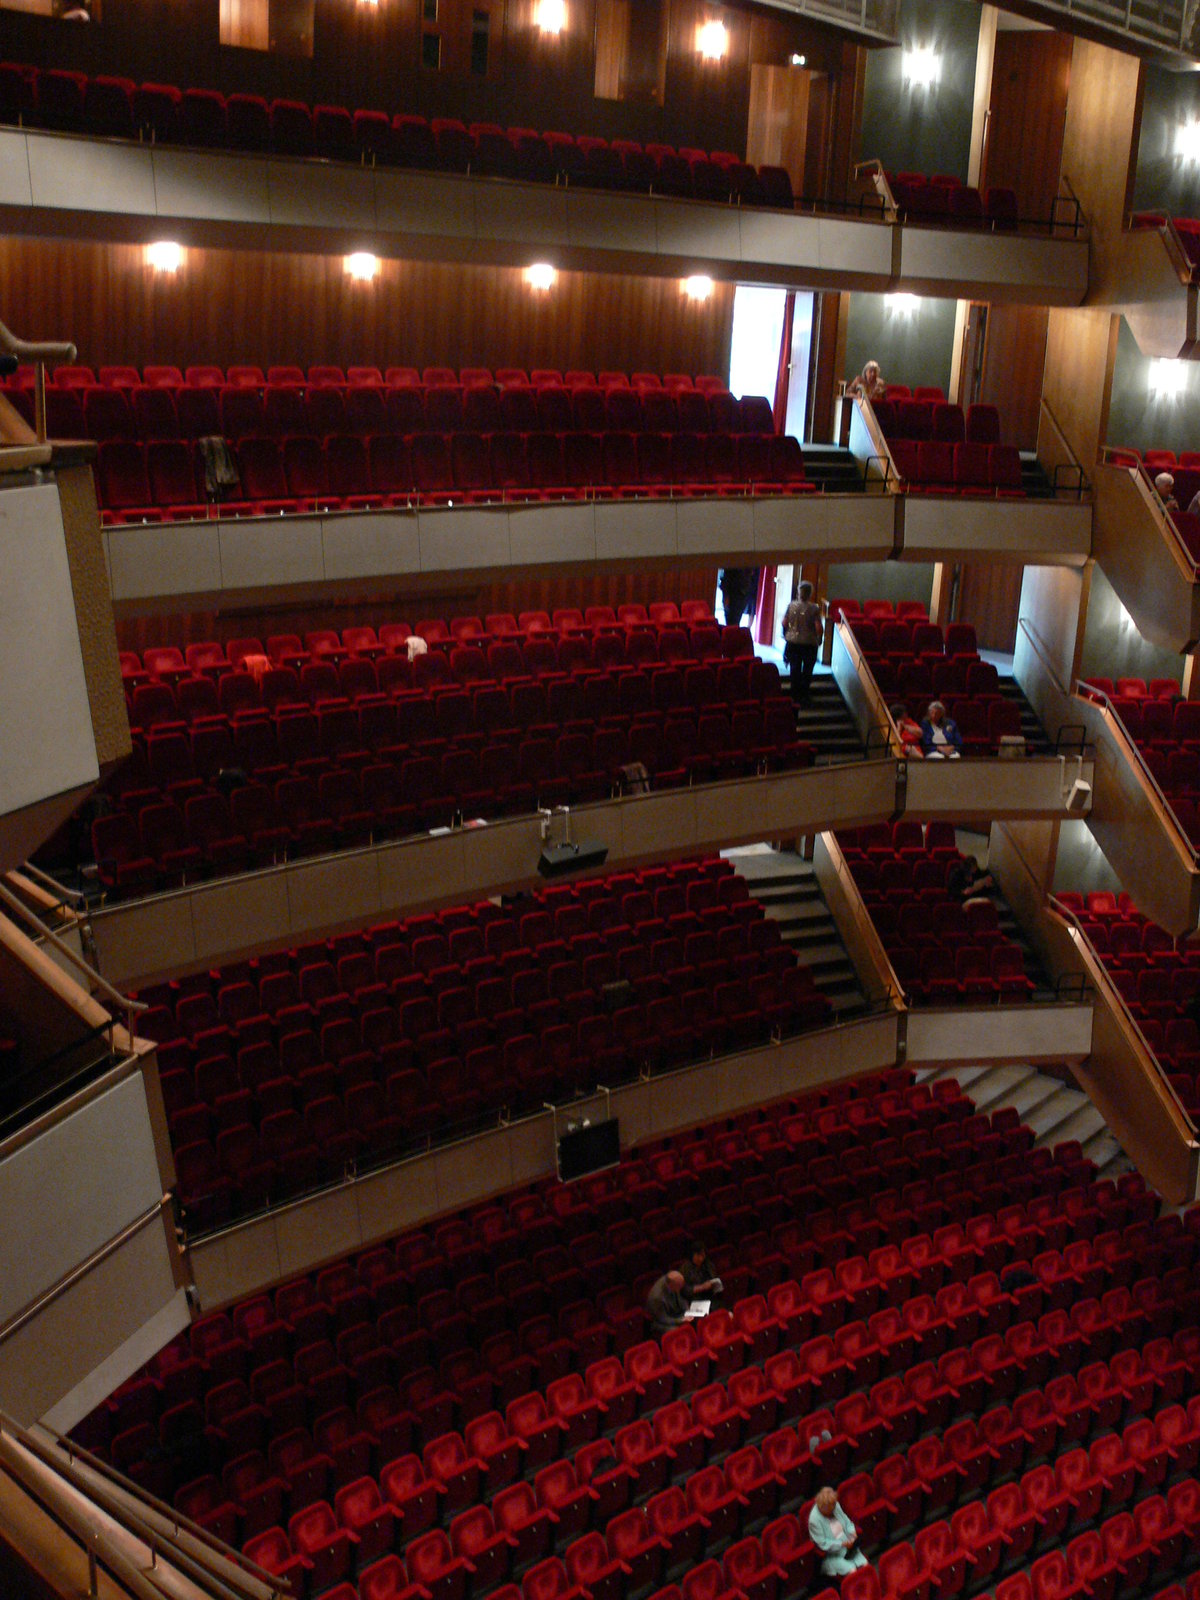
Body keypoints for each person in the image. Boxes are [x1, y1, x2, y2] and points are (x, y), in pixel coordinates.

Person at [809, 1486, 868, 1578]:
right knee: (852, 1570)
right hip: (833, 1554)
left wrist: (853, 1533)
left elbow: (847, 1523)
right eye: (831, 1508)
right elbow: (823, 1543)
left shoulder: (834, 1505)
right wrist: (842, 1544)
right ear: (823, 1507)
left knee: (865, 1564)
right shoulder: (814, 1520)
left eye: (834, 1505)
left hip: (849, 1547)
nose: (834, 1509)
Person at [781, 581, 824, 704]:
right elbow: (818, 627)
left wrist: (786, 634)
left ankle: (794, 694)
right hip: (809, 643)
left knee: (794, 668)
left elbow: (784, 622)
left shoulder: (791, 606)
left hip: (793, 642)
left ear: (799, 593)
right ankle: (804, 695)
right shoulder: (814, 608)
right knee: (807, 670)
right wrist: (820, 638)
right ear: (810, 593)